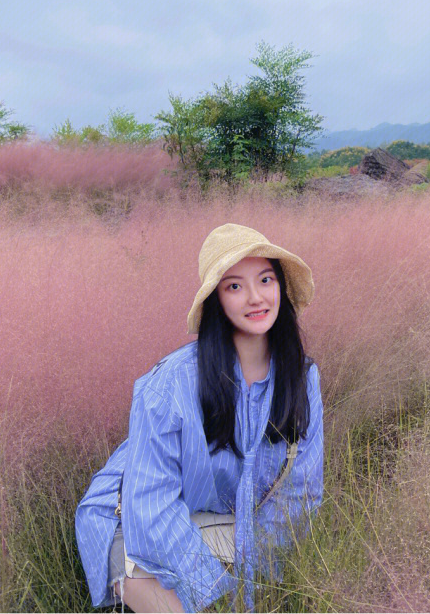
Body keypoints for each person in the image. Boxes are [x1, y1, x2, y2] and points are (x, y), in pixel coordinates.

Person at [75, 223, 324, 612]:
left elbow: (300, 494)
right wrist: (215, 592)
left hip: (226, 523)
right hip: (134, 521)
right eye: (235, 286)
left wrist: (259, 579)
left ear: (281, 288)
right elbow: (151, 507)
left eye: (265, 279)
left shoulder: (301, 377)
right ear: (217, 301)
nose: (256, 297)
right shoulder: (171, 383)